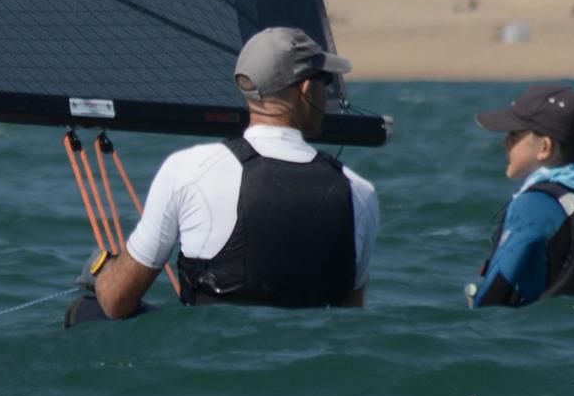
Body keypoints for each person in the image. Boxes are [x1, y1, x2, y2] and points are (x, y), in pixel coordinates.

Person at [65, 27, 379, 325]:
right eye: (325, 83)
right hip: (313, 366)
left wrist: (104, 271)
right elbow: (349, 322)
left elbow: (117, 302)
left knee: (85, 312)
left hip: (213, 365)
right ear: (306, 89)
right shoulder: (358, 193)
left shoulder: (188, 170)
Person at [469, 84, 574, 308]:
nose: (504, 142)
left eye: (514, 134)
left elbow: (495, 290)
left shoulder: (531, 205)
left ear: (544, 147)